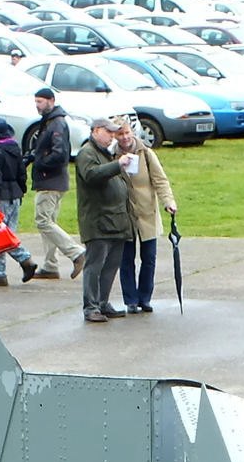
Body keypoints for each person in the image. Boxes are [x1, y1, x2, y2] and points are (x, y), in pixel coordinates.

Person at [74, 117, 133, 322]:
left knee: (111, 265)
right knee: (95, 265)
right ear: (96, 130)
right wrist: (118, 165)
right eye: (109, 132)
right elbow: (91, 175)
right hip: (98, 220)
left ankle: (102, 302)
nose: (112, 136)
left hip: (116, 220)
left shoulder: (106, 154)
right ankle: (91, 307)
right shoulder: (87, 153)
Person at [113, 121, 175, 315]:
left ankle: (145, 297)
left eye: (127, 132)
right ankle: (130, 300)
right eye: (120, 134)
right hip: (125, 215)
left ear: (133, 132)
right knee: (126, 259)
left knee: (149, 258)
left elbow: (160, 180)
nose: (124, 137)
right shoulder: (111, 157)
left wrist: (168, 202)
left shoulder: (146, 153)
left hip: (147, 212)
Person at [25, 87, 82, 280]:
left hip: (50, 179)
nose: (37, 106)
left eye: (40, 102)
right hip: (52, 179)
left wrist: (41, 163)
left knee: (43, 220)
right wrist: (34, 156)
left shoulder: (57, 123)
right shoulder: (51, 122)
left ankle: (76, 252)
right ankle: (50, 265)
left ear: (51, 100)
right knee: (49, 221)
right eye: (36, 102)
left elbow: (60, 154)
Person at [0, 118, 36, 287]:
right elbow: (22, 174)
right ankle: (3, 271)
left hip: (0, 198)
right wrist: (21, 192)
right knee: (6, 234)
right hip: (15, 196)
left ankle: (15, 265)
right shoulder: (14, 148)